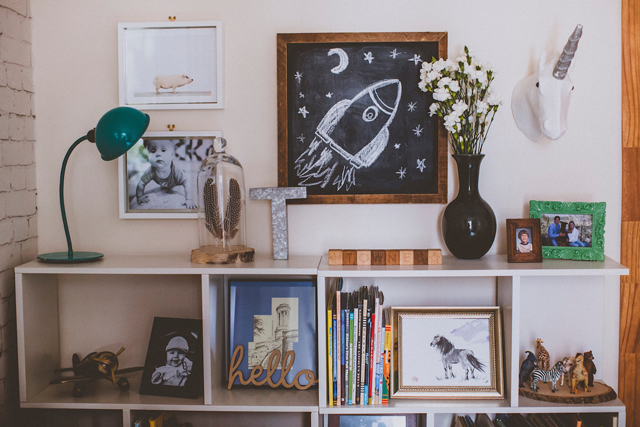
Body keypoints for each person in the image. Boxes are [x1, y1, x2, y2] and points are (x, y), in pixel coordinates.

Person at [136, 139, 196, 208]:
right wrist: (139, 196)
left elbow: (187, 182)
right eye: (153, 151)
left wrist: (189, 199)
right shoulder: (150, 171)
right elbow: (141, 184)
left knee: (182, 189)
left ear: (172, 155)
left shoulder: (176, 171)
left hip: (176, 184)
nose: (158, 154)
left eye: (163, 150)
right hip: (164, 185)